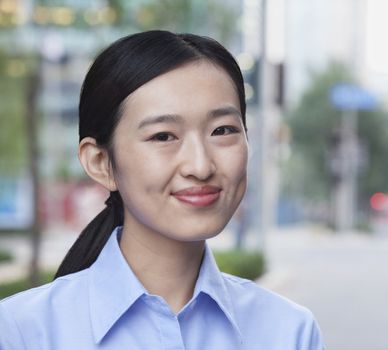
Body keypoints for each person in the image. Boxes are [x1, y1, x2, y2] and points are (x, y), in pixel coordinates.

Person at [0, 31, 324, 349]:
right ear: (100, 162)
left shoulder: (289, 331)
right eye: (163, 136)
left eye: (222, 130)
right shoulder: (23, 332)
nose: (200, 166)